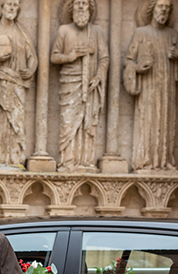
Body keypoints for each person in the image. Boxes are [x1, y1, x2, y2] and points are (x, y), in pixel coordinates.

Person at [123, 0, 178, 173]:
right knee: (148, 120)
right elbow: (128, 60)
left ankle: (164, 161)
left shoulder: (173, 35)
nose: (163, 11)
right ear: (152, 9)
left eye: (167, 8)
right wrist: (137, 68)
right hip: (148, 88)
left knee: (165, 121)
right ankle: (146, 161)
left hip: (167, 88)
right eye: (160, 7)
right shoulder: (141, 33)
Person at [51, 0, 109, 171]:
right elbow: (54, 56)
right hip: (70, 83)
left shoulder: (97, 32)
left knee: (87, 122)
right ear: (71, 8)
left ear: (90, 9)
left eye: (85, 3)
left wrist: (98, 76)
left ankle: (85, 160)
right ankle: (68, 160)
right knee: (68, 122)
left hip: (90, 85)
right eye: (78, 4)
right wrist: (71, 56)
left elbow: (104, 58)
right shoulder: (64, 30)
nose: (82, 7)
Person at [0, 0, 37, 167]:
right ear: (1, 7)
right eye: (9, 4)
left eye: (15, 5)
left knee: (15, 121)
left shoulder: (22, 31)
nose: (12, 8)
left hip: (16, 83)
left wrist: (30, 70)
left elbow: (32, 57)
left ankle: (14, 157)